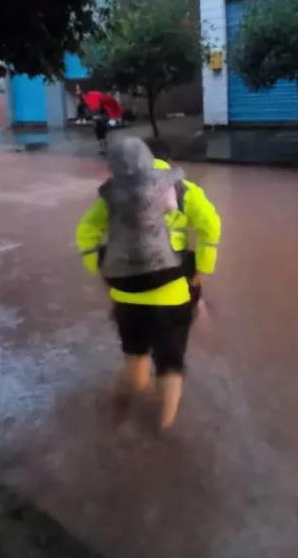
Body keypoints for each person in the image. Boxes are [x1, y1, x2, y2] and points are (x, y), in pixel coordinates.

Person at [75, 138, 222, 430]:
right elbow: (210, 226)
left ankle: (116, 403)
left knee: (136, 362)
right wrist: (202, 269)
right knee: (170, 365)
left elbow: (86, 231)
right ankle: (164, 431)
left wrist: (98, 266)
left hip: (127, 295)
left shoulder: (116, 192)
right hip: (173, 292)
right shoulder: (183, 189)